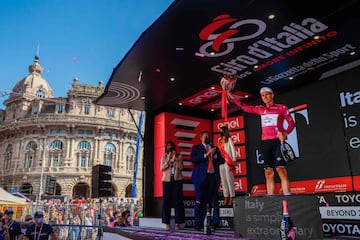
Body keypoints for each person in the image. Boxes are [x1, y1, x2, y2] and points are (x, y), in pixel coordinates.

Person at [228, 87, 296, 195]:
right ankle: (271, 199)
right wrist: (232, 98)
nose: (265, 97)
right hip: (265, 143)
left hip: (277, 142)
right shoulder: (260, 109)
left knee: (281, 171)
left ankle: (288, 196)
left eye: (267, 94)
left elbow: (292, 123)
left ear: (272, 95)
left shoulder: (281, 107)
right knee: (268, 173)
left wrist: (285, 133)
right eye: (262, 95)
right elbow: (245, 108)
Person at [190, 130, 224, 231]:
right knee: (200, 201)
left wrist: (215, 155)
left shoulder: (215, 148)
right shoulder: (196, 148)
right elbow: (193, 159)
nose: (207, 138)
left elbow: (222, 160)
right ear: (201, 138)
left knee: (214, 201)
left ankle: (215, 223)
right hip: (201, 178)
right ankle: (198, 223)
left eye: (208, 136)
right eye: (205, 136)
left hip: (212, 177)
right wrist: (206, 155)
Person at [160, 140, 185, 231]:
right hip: (167, 181)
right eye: (168, 147)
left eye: (171, 147)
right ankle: (167, 223)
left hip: (177, 180)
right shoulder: (164, 157)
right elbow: (161, 168)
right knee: (166, 202)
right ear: (166, 148)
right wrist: (168, 160)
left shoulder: (179, 156)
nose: (169, 148)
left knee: (178, 202)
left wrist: (175, 159)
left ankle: (178, 223)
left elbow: (181, 167)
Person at [217, 126, 236, 206]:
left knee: (229, 179)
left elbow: (233, 150)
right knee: (224, 181)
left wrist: (234, 159)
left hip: (228, 161)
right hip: (221, 162)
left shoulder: (229, 139)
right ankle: (226, 197)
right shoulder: (219, 140)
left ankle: (232, 196)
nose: (220, 132)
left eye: (221, 130)